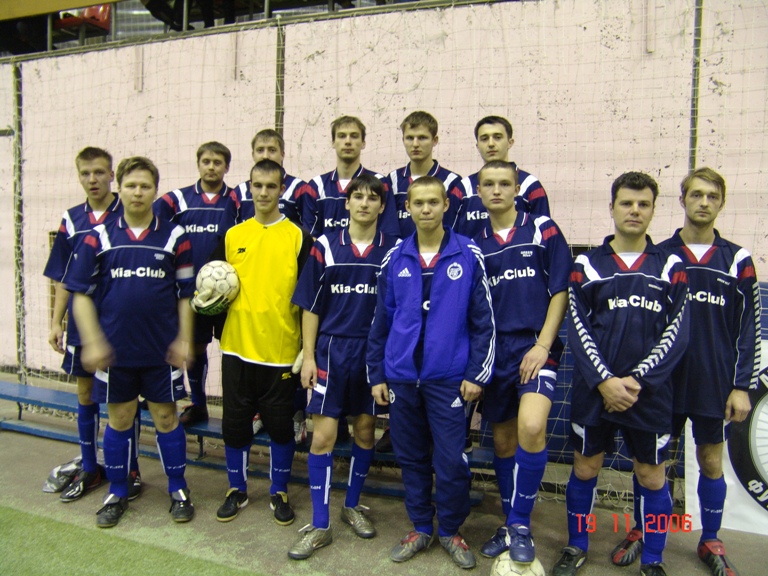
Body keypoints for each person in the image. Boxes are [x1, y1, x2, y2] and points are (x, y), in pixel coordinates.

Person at [609, 167, 759, 576]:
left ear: (721, 203)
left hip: (713, 381)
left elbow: (749, 327)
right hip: (663, 384)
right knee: (650, 463)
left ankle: (710, 538)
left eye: (712, 196)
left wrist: (741, 386)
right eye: (696, 194)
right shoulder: (660, 255)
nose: (704, 202)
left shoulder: (738, 260)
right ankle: (642, 529)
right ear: (682, 200)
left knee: (711, 461)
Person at [554, 172, 689, 576]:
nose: (634, 210)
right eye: (627, 203)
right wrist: (605, 381)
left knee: (651, 476)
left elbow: (678, 332)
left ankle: (653, 560)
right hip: (595, 391)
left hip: (649, 394)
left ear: (653, 210)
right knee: (585, 468)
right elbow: (577, 327)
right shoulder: (586, 264)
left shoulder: (671, 265)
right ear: (611, 207)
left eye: (643, 204)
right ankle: (577, 545)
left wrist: (637, 381)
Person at [366, 176, 495, 570]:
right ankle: (421, 526)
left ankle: (451, 529)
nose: (425, 209)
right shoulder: (395, 257)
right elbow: (381, 321)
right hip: (402, 378)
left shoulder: (468, 253)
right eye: (418, 203)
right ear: (407, 208)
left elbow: (484, 322)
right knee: (410, 457)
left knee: (451, 461)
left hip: (450, 379)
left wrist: (477, 373)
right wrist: (377, 374)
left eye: (433, 202)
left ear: (445, 206)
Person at [66, 156, 196, 528]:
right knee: (120, 419)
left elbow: (186, 295)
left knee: (167, 418)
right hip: (116, 353)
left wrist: (184, 339)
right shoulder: (97, 237)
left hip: (161, 351)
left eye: (145, 186)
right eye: (131, 185)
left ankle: (178, 488)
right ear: (119, 188)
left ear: (155, 191)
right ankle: (118, 492)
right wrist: (93, 342)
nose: (138, 192)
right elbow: (80, 295)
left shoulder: (175, 237)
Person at [287, 174, 399, 559]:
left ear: (382, 206)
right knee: (323, 437)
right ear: (346, 203)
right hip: (331, 351)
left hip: (373, 353)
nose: (364, 203)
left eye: (372, 198)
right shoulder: (324, 245)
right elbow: (310, 306)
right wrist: (309, 355)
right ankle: (320, 525)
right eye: (357, 197)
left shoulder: (394, 249)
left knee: (365, 431)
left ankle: (352, 505)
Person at [473, 161, 571, 563]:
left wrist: (543, 345)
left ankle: (520, 525)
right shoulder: (472, 242)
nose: (496, 190)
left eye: (504, 183)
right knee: (502, 441)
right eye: (489, 184)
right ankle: (510, 522)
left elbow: (560, 290)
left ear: (517, 189)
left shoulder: (542, 229)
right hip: (494, 352)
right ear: (479, 192)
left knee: (531, 426)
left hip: (534, 347)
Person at [212, 159, 312, 527]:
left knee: (282, 428)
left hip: (281, 353)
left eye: (271, 186)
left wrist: (307, 348)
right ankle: (236, 490)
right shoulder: (233, 235)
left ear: (282, 188)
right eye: (258, 185)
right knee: (235, 426)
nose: (264, 192)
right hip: (237, 349)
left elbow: (309, 298)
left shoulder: (299, 237)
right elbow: (214, 289)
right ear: (249, 187)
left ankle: (278, 491)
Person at [43, 147, 142, 503]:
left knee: (125, 398)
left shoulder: (130, 211)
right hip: (83, 325)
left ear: (112, 175)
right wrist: (56, 321)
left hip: (121, 324)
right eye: (85, 173)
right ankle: (90, 467)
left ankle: (130, 470)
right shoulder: (72, 220)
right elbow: (63, 276)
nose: (93, 179)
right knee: (85, 394)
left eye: (99, 172)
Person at [154, 141, 237, 427]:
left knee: (233, 351)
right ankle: (199, 404)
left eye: (218, 162)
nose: (211, 167)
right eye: (206, 161)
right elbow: (153, 227)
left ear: (227, 167)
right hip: (193, 292)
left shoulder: (237, 199)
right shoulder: (176, 200)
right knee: (196, 348)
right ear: (198, 164)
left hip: (231, 294)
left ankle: (236, 408)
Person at [452, 115, 550, 238]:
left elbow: (544, 234)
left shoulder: (530, 185)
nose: (491, 144)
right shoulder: (463, 188)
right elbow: (449, 236)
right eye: (484, 139)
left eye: (497, 137)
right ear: (477, 146)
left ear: (510, 142)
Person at [302, 115, 398, 239]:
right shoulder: (316, 185)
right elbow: (310, 238)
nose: (348, 141)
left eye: (354, 136)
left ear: (363, 143)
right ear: (333, 142)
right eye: (342, 136)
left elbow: (389, 234)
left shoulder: (380, 182)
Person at [386, 111, 462, 237]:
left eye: (422, 138)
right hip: (402, 249)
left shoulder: (451, 181)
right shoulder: (392, 179)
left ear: (435, 140)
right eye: (410, 138)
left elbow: (453, 227)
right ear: (403, 140)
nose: (415, 144)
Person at [232, 129, 311, 227]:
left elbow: (309, 231)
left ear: (282, 154)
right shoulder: (239, 192)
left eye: (272, 150)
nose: (265, 156)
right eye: (260, 150)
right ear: (253, 155)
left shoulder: (301, 189)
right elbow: (228, 233)